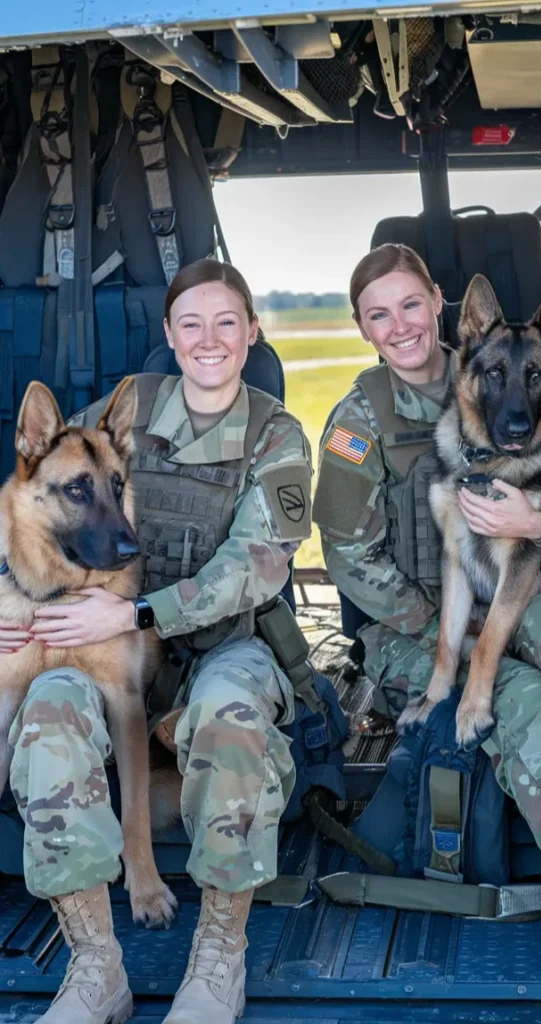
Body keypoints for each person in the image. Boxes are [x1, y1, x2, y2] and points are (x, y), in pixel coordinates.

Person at [313, 242, 541, 1000]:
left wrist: (539, 516)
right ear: (362, 327)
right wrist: (454, 634)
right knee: (518, 698)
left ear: (442, 304)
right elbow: (351, 562)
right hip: (414, 628)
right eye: (378, 314)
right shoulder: (358, 420)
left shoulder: (509, 368)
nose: (401, 325)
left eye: (410, 304)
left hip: (521, 580)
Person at [0, 258, 313, 1024]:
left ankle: (218, 955)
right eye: (191, 323)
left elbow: (256, 568)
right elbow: (34, 505)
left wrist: (135, 615)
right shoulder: (118, 416)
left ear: (252, 331)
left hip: (221, 645)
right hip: (108, 638)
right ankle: (95, 964)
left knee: (230, 711)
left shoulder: (276, 434)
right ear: (169, 336)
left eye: (226, 322)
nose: (209, 340)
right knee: (45, 707)